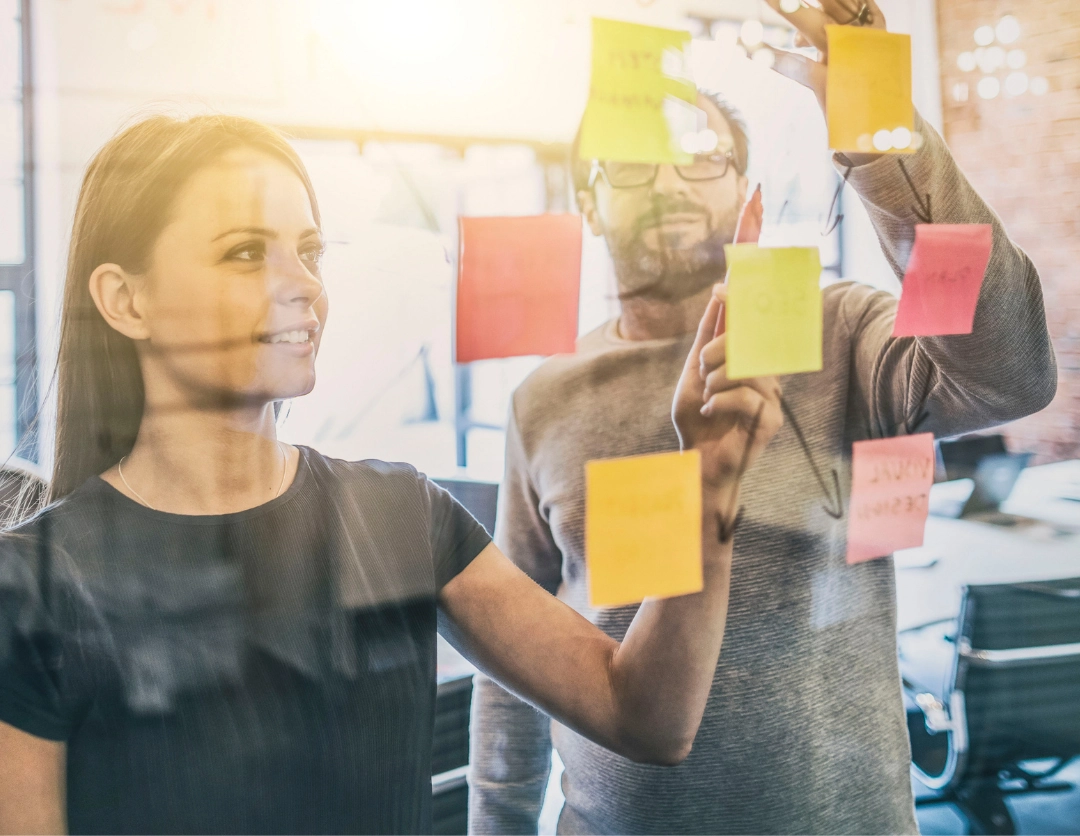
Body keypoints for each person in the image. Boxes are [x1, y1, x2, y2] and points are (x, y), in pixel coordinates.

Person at [0, 112, 784, 835]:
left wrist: (709, 485)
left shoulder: (399, 513)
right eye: (244, 252)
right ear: (125, 301)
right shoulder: (35, 584)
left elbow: (644, 716)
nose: (303, 284)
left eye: (307, 252)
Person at [468, 2, 1057, 833]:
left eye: (701, 157)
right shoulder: (545, 399)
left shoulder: (839, 333)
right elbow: (512, 663)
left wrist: (874, 122)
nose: (668, 182)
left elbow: (1011, 372)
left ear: (746, 197)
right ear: (590, 204)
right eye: (631, 165)